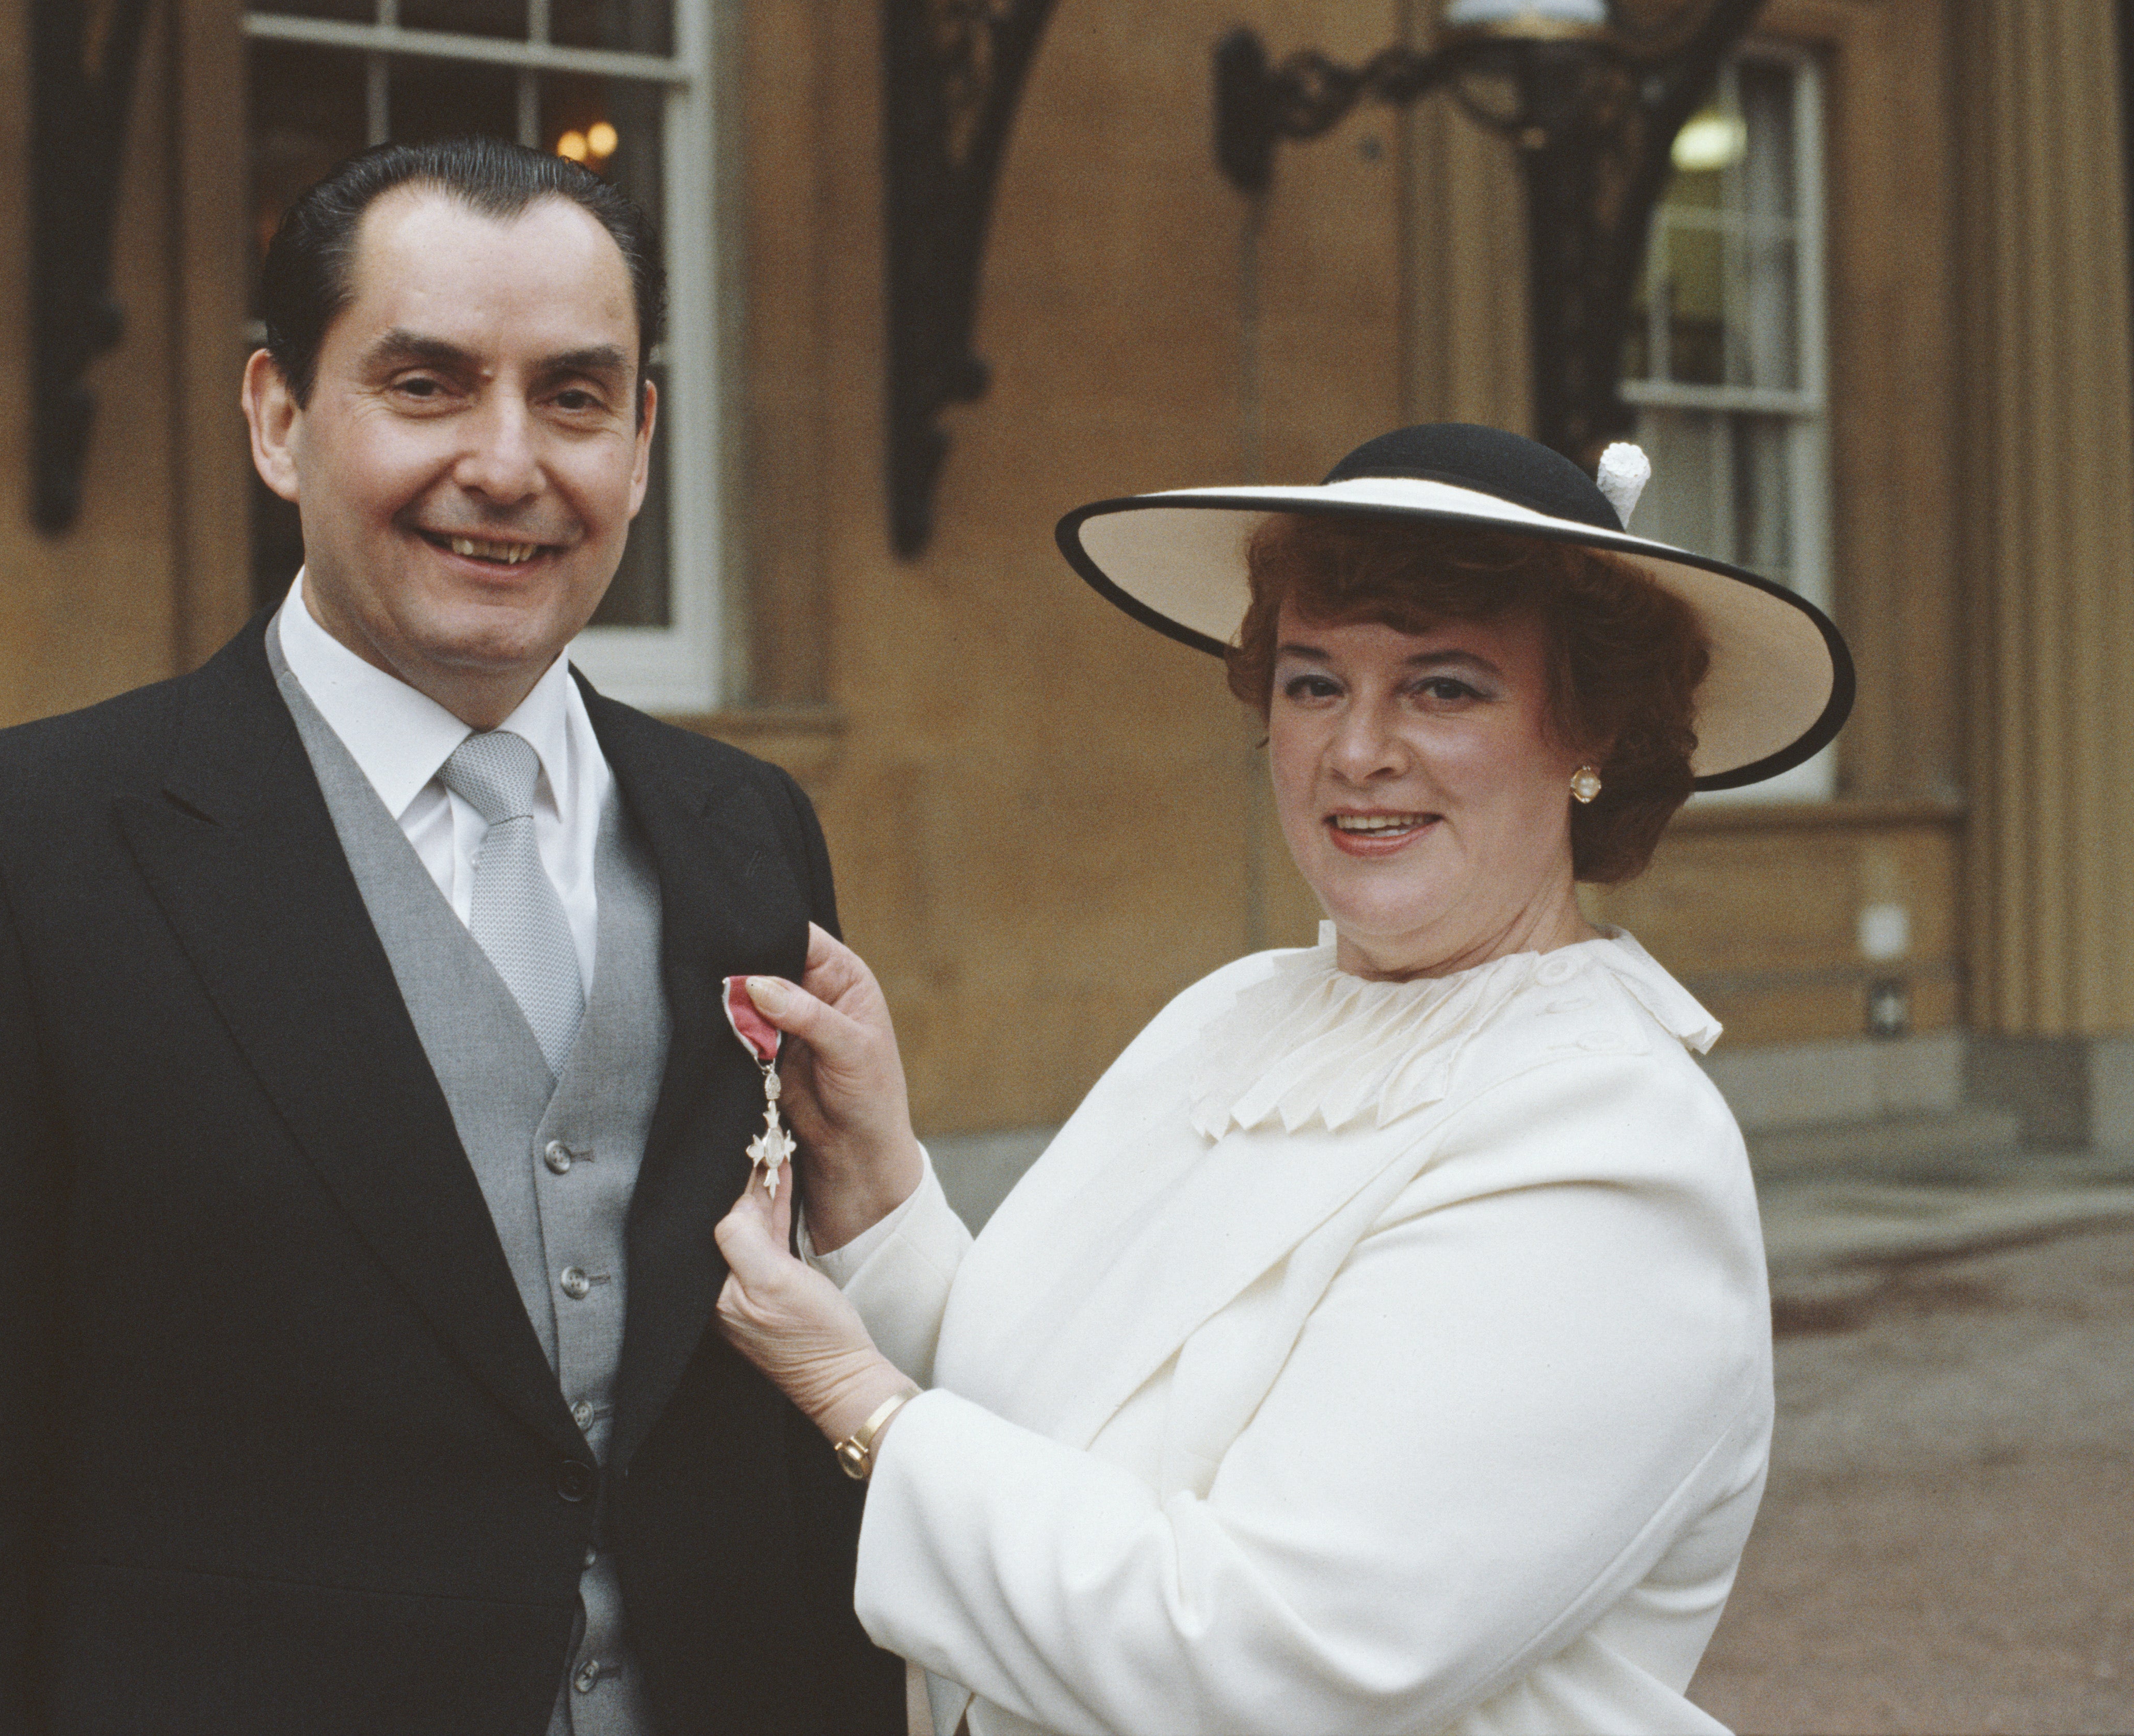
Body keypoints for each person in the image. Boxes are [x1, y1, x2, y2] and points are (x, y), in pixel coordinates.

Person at [0, 138, 900, 1734]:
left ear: (642, 442)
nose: (507, 464)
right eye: (426, 384)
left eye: (573, 396)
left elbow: (764, 1428)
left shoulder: (744, 829)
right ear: (279, 418)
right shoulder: (17, 849)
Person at [711, 422, 1854, 1736]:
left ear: (1586, 732)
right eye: (1314, 684)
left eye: (1443, 689)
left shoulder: (1606, 1136)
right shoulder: (1240, 1010)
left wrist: (858, 1410)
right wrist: (871, 1185)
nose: (1356, 750)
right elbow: (1053, 1427)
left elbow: (1277, 1663)